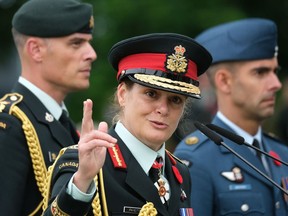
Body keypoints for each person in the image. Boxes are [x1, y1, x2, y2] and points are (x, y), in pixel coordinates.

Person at [42, 33, 212, 215]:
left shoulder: (179, 172)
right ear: (122, 94)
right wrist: (82, 182)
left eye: (175, 99)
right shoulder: (84, 160)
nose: (163, 109)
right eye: (151, 94)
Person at [174, 18, 288, 216]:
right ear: (224, 81)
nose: (275, 84)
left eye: (274, 71)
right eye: (260, 72)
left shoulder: (281, 153)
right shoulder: (197, 159)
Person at [0, 0, 96, 215]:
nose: (91, 53)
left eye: (88, 42)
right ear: (35, 50)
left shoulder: (60, 122)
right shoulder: (9, 124)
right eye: (76, 43)